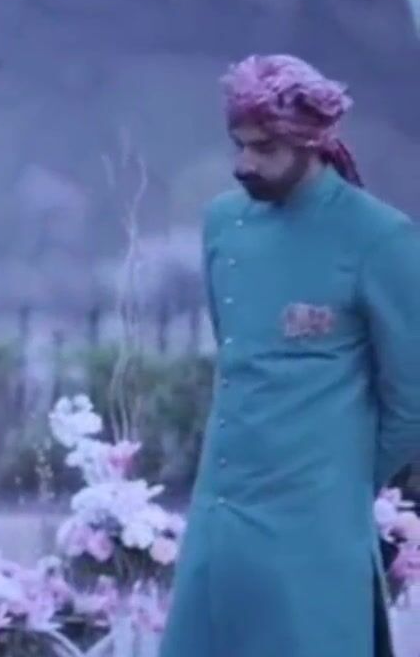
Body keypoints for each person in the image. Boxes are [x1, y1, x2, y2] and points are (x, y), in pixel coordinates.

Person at [159, 54, 420, 657]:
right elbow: (241, 361)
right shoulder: (224, 224)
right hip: (221, 513)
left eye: (265, 148)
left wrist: (338, 480)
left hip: (317, 529)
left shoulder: (380, 237)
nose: (243, 164)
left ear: (314, 142)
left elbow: (412, 401)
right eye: (239, 145)